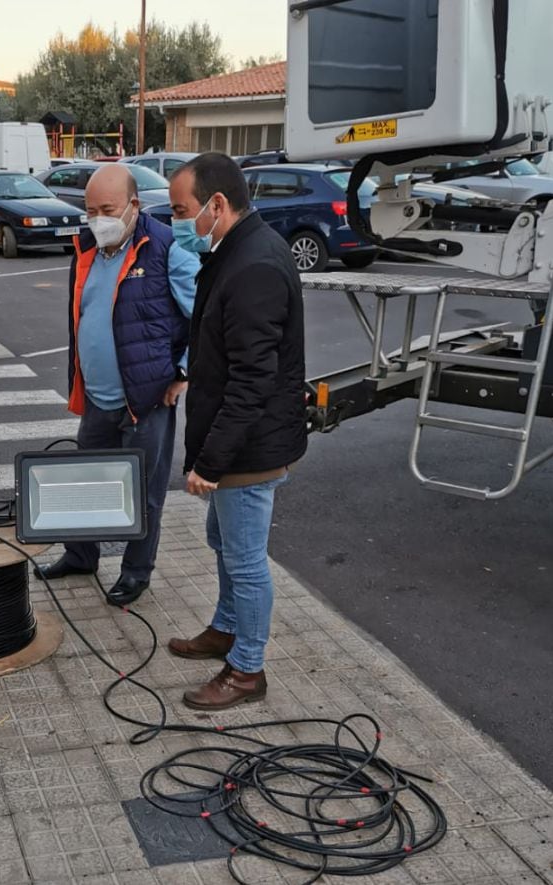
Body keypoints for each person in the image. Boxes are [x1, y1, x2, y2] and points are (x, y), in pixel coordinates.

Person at [165, 153, 307, 711]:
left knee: (246, 561)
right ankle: (225, 629)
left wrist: (210, 463)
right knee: (222, 543)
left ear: (217, 205)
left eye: (182, 211)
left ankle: (247, 670)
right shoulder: (235, 250)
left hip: (248, 450)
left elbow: (252, 382)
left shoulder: (254, 267)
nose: (177, 222)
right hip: (237, 443)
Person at [34, 164, 201, 606]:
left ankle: (135, 573)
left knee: (143, 494)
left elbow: (207, 320)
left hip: (146, 401)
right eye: (90, 210)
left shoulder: (166, 251)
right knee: (85, 482)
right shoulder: (88, 247)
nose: (97, 219)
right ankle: (81, 555)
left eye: (107, 209)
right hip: (97, 398)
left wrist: (183, 372)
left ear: (134, 206)